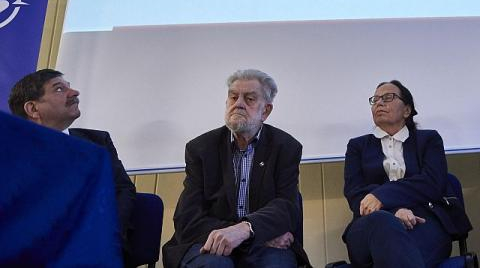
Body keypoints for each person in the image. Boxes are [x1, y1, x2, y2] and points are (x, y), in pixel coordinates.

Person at [162, 69, 310, 268]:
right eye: (233, 97)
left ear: (265, 111)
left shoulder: (286, 147)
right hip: (207, 241)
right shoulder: (200, 149)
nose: (238, 103)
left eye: (249, 99)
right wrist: (246, 234)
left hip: (265, 248)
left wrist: (246, 231)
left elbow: (287, 207)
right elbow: (188, 218)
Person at [7, 68, 136, 264]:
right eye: (59, 89)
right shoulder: (10, 153)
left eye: (69, 87)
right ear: (33, 109)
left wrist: (105, 235)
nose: (74, 92)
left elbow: (122, 190)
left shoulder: (97, 142)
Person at [342, 80, 471, 268]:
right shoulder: (357, 147)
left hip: (423, 221)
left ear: (407, 110)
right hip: (370, 225)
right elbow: (355, 194)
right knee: (382, 222)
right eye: (375, 99)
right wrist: (394, 212)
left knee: (398, 254)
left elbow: (432, 183)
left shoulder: (429, 140)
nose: (379, 103)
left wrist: (382, 195)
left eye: (388, 97)